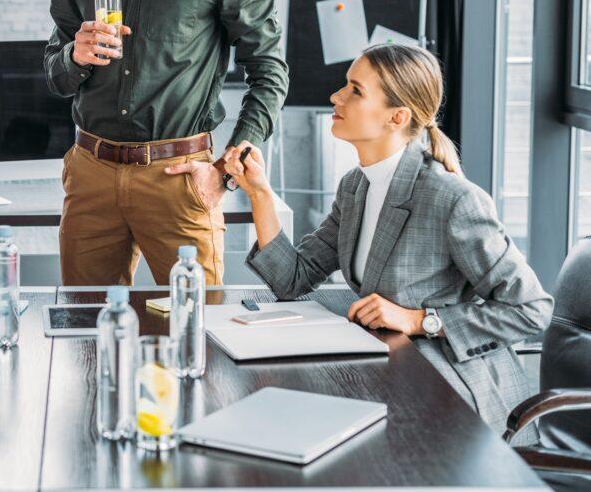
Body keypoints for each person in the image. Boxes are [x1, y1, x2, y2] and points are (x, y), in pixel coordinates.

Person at [223, 43, 553, 443]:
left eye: (355, 90)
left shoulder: (453, 199)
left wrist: (419, 320)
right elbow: (293, 278)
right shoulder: (356, 187)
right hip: (389, 372)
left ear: (397, 117)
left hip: (453, 397)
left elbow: (532, 310)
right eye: (346, 85)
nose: (336, 96)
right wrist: (259, 193)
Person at [44, 0, 288, 286]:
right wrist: (73, 57)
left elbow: (270, 71)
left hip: (180, 180)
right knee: (85, 330)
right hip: (91, 174)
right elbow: (52, 72)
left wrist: (226, 170)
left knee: (194, 335)